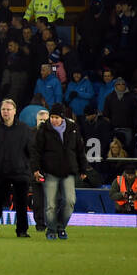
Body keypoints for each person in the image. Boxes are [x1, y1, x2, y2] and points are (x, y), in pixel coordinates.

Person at [32, 103, 88, 240]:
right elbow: (36, 152)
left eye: (56, 117)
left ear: (62, 117)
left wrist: (83, 168)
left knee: (70, 201)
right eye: (52, 117)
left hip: (68, 170)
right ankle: (51, 229)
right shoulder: (43, 130)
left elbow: (80, 149)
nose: (54, 120)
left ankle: (61, 226)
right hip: (50, 171)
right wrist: (35, 169)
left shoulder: (73, 128)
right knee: (50, 204)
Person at [0, 99, 33, 238]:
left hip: (20, 171)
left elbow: (32, 151)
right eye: (4, 109)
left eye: (9, 109)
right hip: (0, 171)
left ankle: (22, 231)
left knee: (21, 203)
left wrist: (32, 167)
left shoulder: (25, 129)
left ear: (15, 111)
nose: (6, 112)